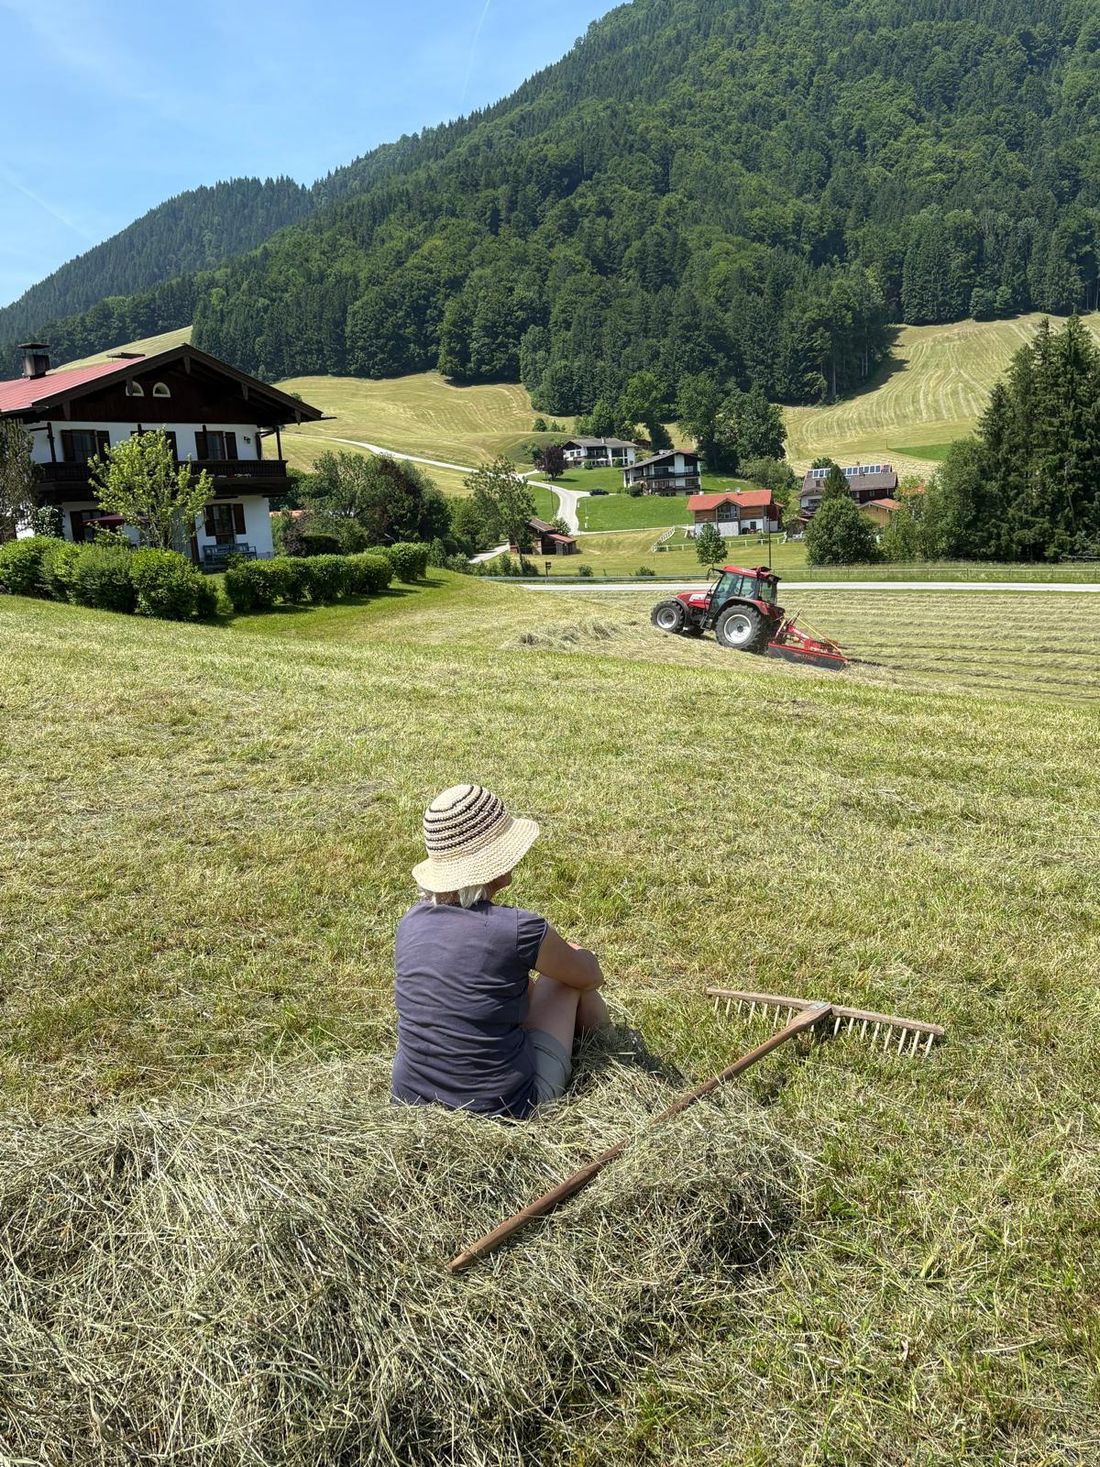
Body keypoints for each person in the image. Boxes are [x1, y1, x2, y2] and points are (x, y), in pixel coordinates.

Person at [391, 783, 609, 1119]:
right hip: (507, 1109)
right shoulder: (520, 929)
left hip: (413, 1102)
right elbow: (589, 976)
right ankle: (607, 1050)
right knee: (568, 974)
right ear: (496, 860)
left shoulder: (410, 922)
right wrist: (582, 955)